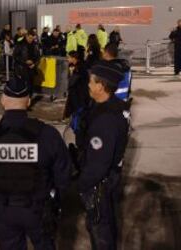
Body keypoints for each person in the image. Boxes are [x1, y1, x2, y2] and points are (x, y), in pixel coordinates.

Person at [0, 77, 72, 250]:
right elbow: (64, 176)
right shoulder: (48, 134)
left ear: (2, 100)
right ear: (28, 102)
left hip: (3, 210)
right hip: (39, 209)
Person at [75, 61, 130, 250]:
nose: (88, 84)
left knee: (100, 230)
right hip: (111, 178)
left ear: (100, 86)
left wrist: (81, 185)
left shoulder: (105, 120)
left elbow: (98, 165)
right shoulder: (116, 106)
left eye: (91, 81)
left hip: (99, 185)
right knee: (107, 223)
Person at [63, 50, 90, 120]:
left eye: (69, 57)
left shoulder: (80, 67)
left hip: (79, 92)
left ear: (73, 58)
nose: (67, 59)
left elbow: (74, 80)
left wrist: (72, 73)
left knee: (77, 108)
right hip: (76, 91)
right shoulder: (73, 65)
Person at [13, 30, 40, 96]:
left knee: (31, 84)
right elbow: (15, 56)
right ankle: (23, 99)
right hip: (22, 68)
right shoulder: (20, 44)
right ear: (26, 36)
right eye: (30, 38)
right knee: (23, 85)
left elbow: (38, 56)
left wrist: (34, 64)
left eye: (33, 38)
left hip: (31, 68)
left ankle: (29, 98)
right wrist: (25, 61)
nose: (31, 40)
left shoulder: (35, 44)